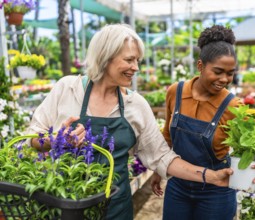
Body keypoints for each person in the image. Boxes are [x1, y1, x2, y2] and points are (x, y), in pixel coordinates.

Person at [26, 24, 234, 220]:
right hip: (65, 203)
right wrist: (57, 140)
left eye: (138, 61)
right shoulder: (67, 89)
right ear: (106, 57)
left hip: (115, 207)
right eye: (129, 60)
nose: (136, 68)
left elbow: (161, 157)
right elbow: (33, 136)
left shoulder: (136, 105)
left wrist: (211, 176)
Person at [150, 25, 255, 220]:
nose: (224, 79)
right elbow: (168, 135)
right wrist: (159, 170)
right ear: (200, 66)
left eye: (230, 73)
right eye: (218, 71)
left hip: (216, 190)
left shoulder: (232, 105)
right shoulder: (176, 92)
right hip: (178, 186)